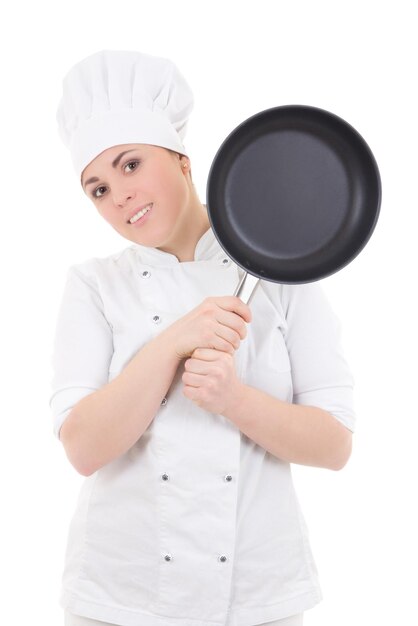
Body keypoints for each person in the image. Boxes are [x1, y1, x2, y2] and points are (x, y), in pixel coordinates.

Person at [50, 50, 355, 626]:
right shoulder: (94, 286)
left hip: (258, 597)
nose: (120, 196)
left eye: (131, 165)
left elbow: (335, 445)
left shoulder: (281, 270)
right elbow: (83, 448)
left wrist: (234, 400)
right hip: (119, 599)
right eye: (98, 188)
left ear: (184, 161)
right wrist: (169, 346)